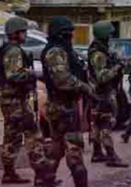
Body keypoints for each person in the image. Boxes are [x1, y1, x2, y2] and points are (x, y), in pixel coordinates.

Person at [0, 17, 50, 186]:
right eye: (23, 31)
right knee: (33, 135)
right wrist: (33, 74)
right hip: (16, 101)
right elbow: (14, 75)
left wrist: (3, 88)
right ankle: (42, 175)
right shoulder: (14, 51)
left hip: (10, 100)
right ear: (16, 33)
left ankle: (9, 174)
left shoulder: (3, 50)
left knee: (12, 137)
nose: (25, 35)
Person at [41, 17, 96, 187]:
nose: (70, 37)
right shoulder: (56, 51)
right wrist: (84, 87)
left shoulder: (63, 50)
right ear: (59, 35)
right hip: (63, 106)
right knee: (74, 149)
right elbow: (62, 80)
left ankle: (44, 181)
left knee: (56, 149)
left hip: (63, 105)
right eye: (67, 34)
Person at [87, 21, 127, 168]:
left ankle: (97, 153)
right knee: (105, 125)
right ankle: (111, 156)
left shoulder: (101, 50)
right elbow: (102, 77)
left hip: (98, 94)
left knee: (97, 124)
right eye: (109, 34)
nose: (110, 36)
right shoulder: (98, 53)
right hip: (102, 94)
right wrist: (117, 67)